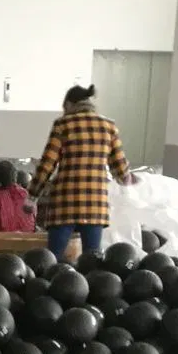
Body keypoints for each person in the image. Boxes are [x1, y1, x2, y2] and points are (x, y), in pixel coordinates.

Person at [29, 84, 132, 261]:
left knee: (52, 258)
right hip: (95, 204)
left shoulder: (63, 125)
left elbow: (47, 164)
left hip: (65, 202)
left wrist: (32, 195)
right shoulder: (109, 126)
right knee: (92, 259)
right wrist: (127, 178)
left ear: (69, 104)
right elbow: (120, 168)